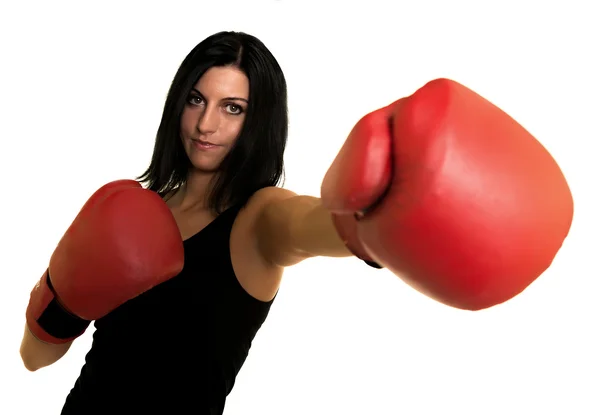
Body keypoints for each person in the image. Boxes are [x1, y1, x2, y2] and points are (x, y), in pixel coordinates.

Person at [19, 30, 574, 415]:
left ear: (259, 121)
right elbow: (34, 358)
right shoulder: (130, 208)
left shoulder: (261, 219)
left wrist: (377, 202)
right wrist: (62, 292)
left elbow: (317, 222)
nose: (207, 124)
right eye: (196, 100)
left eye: (232, 107)